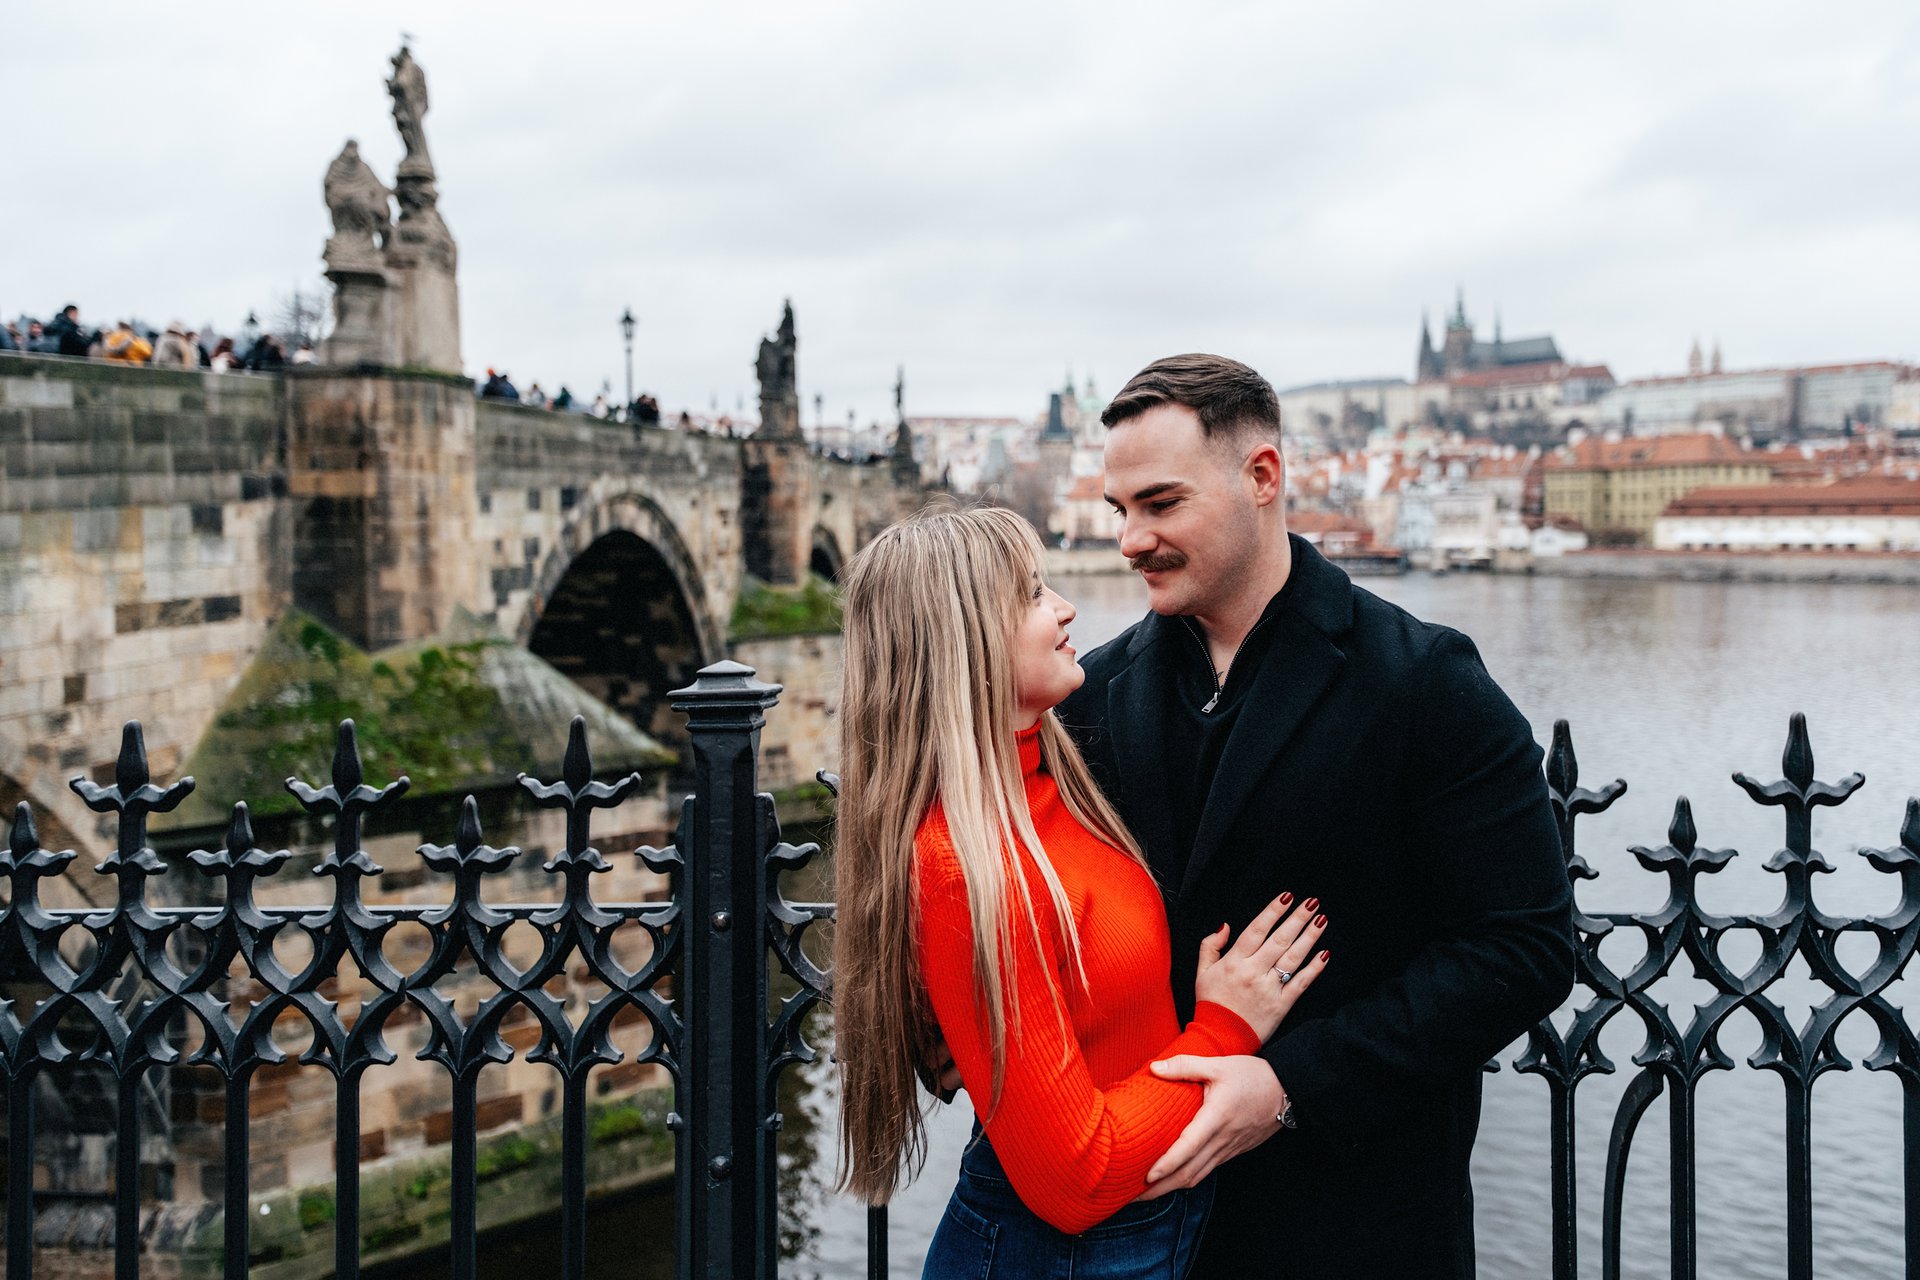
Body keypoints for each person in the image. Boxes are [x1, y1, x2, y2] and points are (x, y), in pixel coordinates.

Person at [1050, 353, 1574, 1278]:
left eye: (1160, 504)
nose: (1130, 540)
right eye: (1118, 509)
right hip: (1137, 1223)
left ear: (1263, 477)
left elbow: (1523, 949)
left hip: (1353, 1217)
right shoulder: (1091, 692)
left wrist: (1289, 1086)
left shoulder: (1423, 679)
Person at [834, 506, 1331, 1280]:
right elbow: (1077, 1179)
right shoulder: (964, 866)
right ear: (967, 641)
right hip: (1058, 1252)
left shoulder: (1053, 782)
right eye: (1033, 594)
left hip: (1140, 1232)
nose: (1065, 608)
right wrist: (1224, 1030)